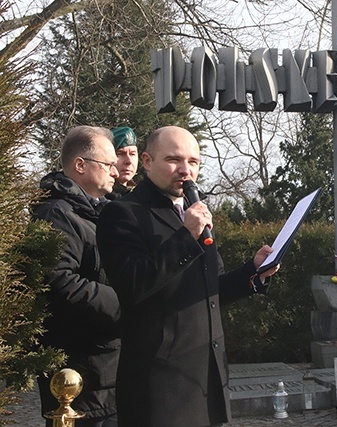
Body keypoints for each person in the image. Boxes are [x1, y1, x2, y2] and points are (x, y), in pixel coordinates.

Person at [96, 125, 279, 427]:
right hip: (160, 387)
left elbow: (210, 290)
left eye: (193, 162)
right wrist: (186, 236)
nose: (185, 170)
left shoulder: (194, 212)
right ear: (147, 161)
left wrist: (253, 272)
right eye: (174, 160)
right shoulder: (123, 213)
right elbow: (133, 286)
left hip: (207, 378)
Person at [31, 126, 121, 426]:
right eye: (108, 165)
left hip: (109, 367)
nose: (116, 173)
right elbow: (60, 282)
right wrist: (126, 305)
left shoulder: (102, 214)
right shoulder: (57, 214)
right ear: (80, 165)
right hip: (80, 374)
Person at [110, 126, 138, 194]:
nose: (129, 161)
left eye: (132, 154)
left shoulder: (140, 195)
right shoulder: (98, 196)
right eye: (120, 154)